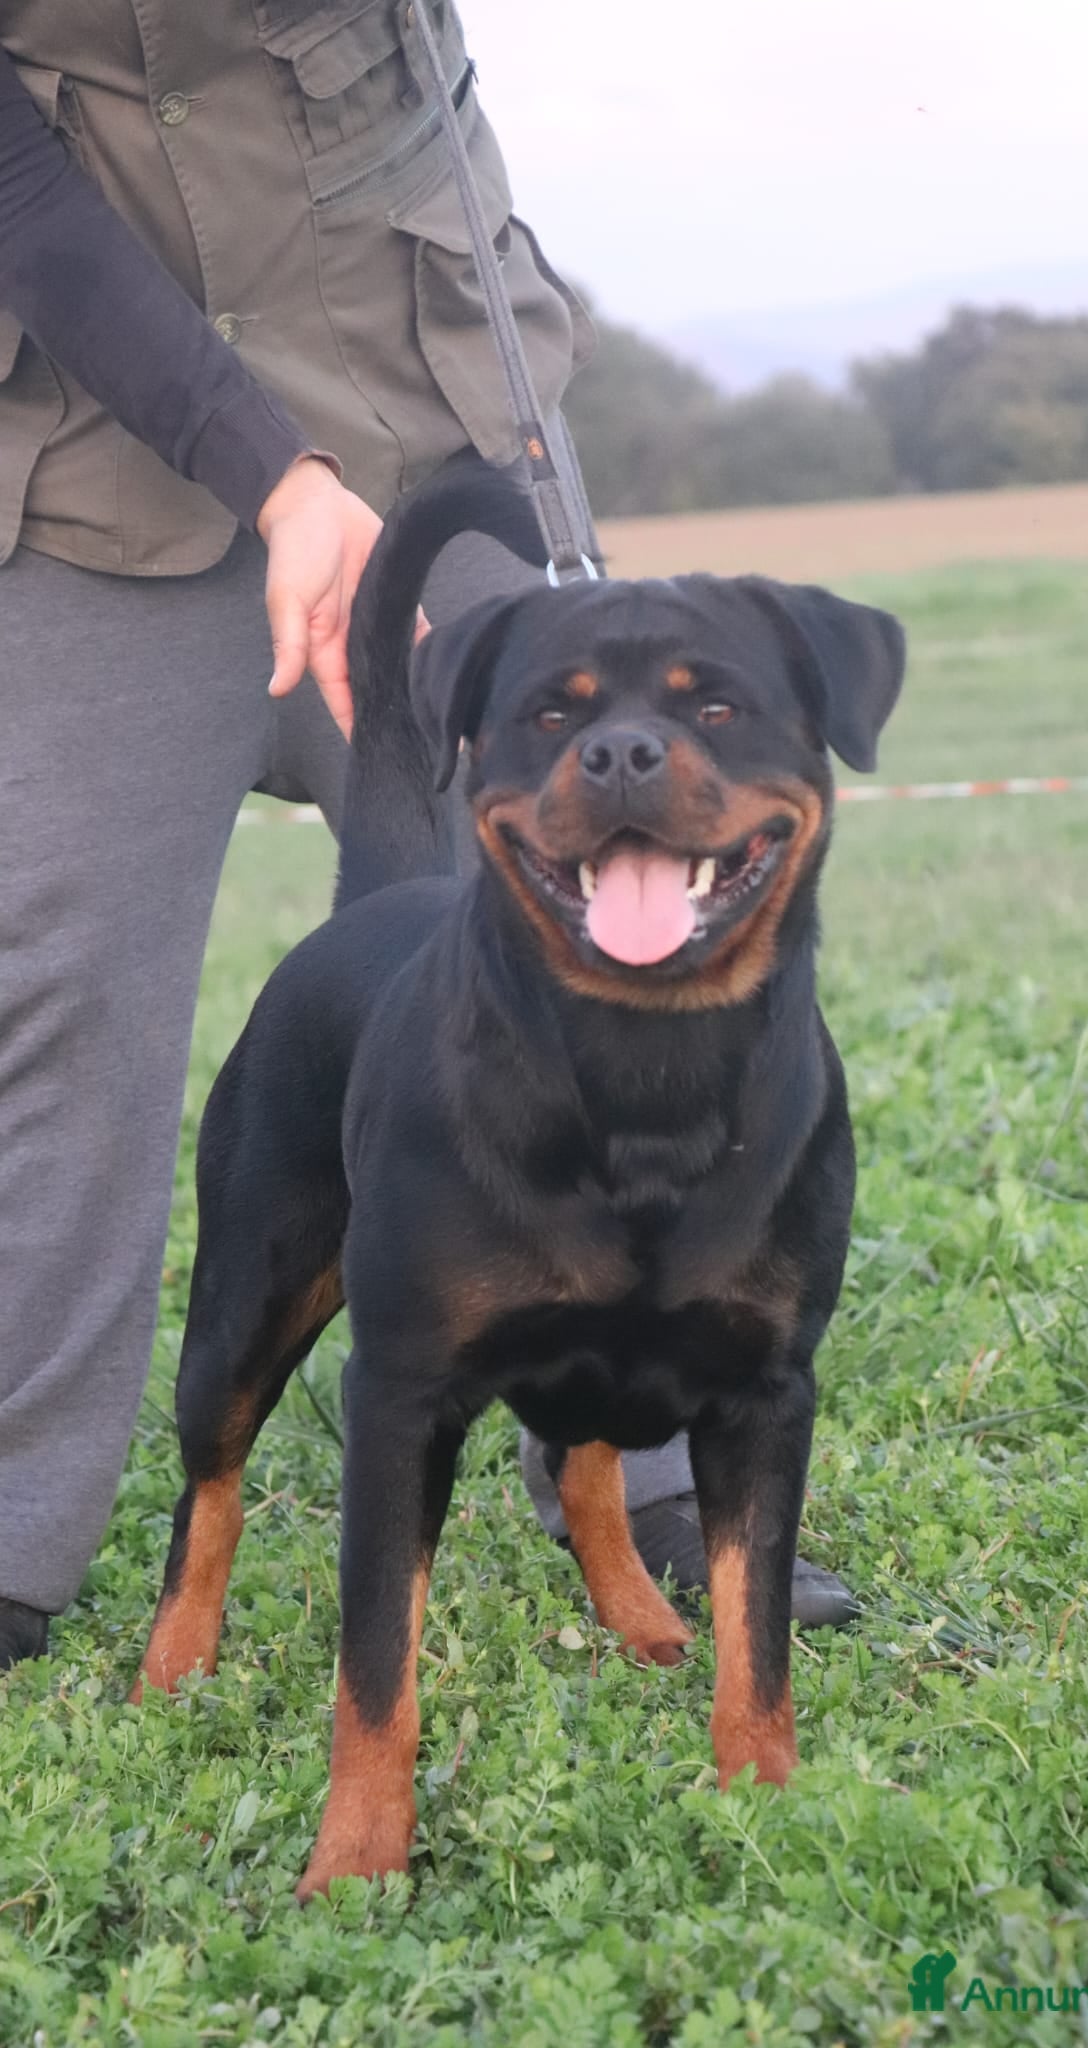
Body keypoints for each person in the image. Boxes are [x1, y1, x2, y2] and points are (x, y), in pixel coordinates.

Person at [0, 6, 854, 1674]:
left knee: (613, 912)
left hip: (420, 415)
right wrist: (274, 478)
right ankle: (16, 1532)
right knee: (54, 989)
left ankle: (659, 1466)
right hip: (94, 468)